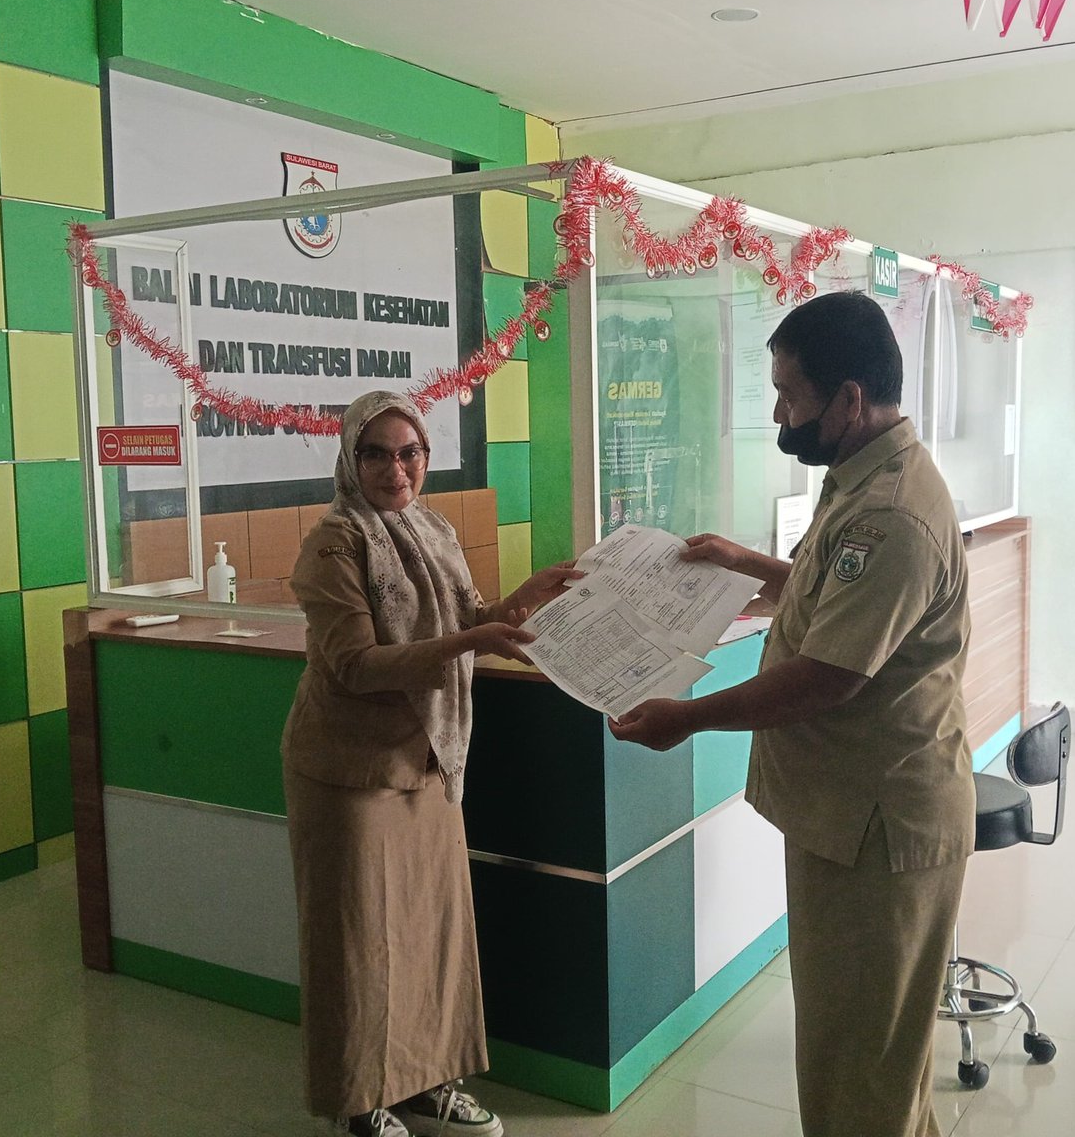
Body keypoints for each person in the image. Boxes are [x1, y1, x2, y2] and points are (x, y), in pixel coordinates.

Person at [609, 292, 974, 1137]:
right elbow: (831, 596)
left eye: (789, 395)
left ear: (849, 399)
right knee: (870, 1061)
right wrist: (746, 564)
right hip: (849, 814)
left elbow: (827, 677)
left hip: (879, 825)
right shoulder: (862, 480)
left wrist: (687, 717)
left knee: (861, 1073)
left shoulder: (890, 513)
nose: (778, 414)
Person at [281, 390, 582, 1137]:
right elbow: (356, 664)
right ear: (350, 459)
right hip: (351, 772)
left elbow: (467, 616)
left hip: (430, 759)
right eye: (376, 454)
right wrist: (474, 643)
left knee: (430, 935)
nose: (397, 470)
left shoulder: (433, 528)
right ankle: (360, 1101)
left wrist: (519, 603)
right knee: (360, 944)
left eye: (410, 452)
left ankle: (426, 1084)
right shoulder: (333, 544)